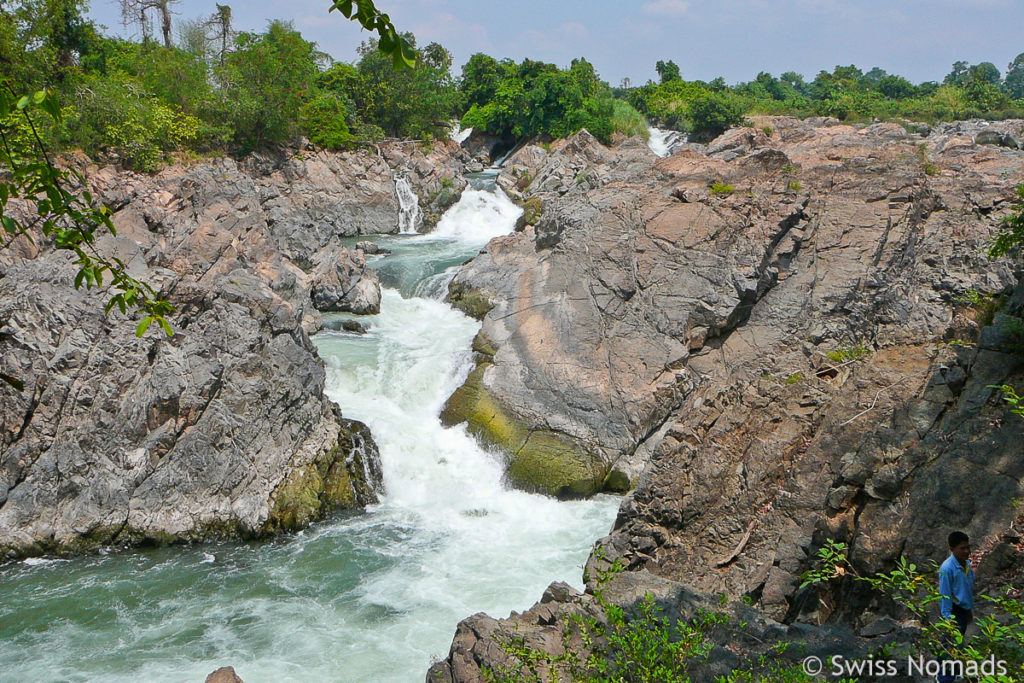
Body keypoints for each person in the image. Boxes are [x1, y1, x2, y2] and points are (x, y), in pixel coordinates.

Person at [936, 531, 975, 683]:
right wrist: (947, 619)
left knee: (958, 643)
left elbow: (967, 589)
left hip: (964, 610)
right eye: (962, 548)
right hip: (953, 611)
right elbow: (944, 595)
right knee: (950, 643)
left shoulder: (967, 565)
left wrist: (969, 609)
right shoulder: (947, 569)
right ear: (952, 549)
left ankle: (955, 672)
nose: (966, 551)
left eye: (967, 547)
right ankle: (943, 678)